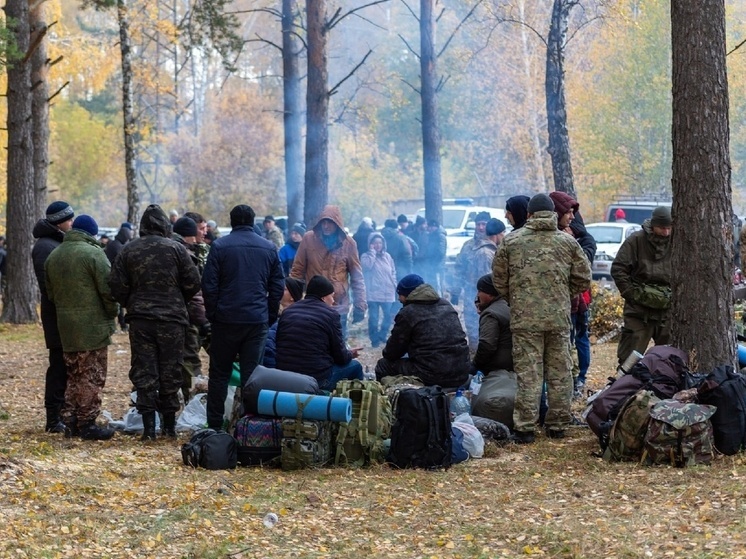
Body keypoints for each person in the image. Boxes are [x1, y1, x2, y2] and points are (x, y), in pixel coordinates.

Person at [492, 194, 591, 443]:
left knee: (529, 373)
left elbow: (499, 280)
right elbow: (583, 277)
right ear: (553, 215)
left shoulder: (511, 242)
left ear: (528, 215)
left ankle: (525, 428)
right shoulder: (567, 242)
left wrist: (517, 298)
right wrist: (562, 295)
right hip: (558, 317)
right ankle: (557, 425)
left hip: (525, 320)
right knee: (560, 373)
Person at [109, 205, 202, 441]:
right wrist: (176, 300)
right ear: (165, 226)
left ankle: (149, 429)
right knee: (171, 370)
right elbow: (193, 282)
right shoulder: (177, 249)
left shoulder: (128, 250)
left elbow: (116, 286)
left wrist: (133, 301)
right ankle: (169, 427)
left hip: (141, 320)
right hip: (172, 321)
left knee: (144, 370)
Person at [202, 205, 284, 430]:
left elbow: (209, 284)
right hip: (256, 320)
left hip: (225, 319)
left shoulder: (219, 246)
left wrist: (214, 314)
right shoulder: (268, 247)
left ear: (232, 220)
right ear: (252, 221)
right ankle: (250, 426)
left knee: (219, 374)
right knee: (252, 376)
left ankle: (215, 425)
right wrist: (268, 313)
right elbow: (277, 284)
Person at [45, 215, 119, 440]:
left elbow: (50, 294)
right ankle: (87, 423)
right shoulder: (94, 254)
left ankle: (69, 420)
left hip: (66, 327)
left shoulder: (54, 256)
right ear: (92, 234)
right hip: (92, 327)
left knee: (73, 374)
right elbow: (109, 291)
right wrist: (112, 313)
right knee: (91, 375)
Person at [375, 274, 470, 389]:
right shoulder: (446, 304)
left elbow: (391, 353)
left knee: (383, 365)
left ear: (407, 294)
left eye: (400, 295)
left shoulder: (408, 313)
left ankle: (389, 403)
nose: (399, 299)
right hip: (461, 371)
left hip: (433, 374)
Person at [290, 205, 367, 339]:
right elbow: (297, 270)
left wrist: (360, 304)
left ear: (337, 224)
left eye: (330, 222)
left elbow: (356, 276)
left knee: (338, 342)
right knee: (314, 341)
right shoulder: (309, 239)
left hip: (338, 304)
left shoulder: (349, 243)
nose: (326, 226)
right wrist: (291, 299)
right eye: (323, 222)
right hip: (313, 303)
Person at [276, 275, 363, 391]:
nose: (333, 301)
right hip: (316, 380)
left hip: (284, 377)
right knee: (356, 366)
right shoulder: (330, 315)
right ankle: (351, 406)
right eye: (332, 296)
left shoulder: (288, 312)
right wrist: (350, 354)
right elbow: (341, 357)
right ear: (323, 297)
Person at [610, 206, 673, 366]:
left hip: (667, 312)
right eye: (662, 228)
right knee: (628, 362)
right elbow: (618, 269)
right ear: (653, 225)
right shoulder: (636, 241)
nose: (666, 232)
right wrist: (631, 294)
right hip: (638, 312)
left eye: (669, 228)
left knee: (669, 360)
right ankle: (623, 389)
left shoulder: (677, 243)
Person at [32, 201, 75, 433]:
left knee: (64, 366)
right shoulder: (45, 247)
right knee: (58, 367)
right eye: (69, 219)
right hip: (56, 316)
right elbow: (50, 288)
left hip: (63, 315)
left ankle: (62, 414)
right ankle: (52, 418)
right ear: (60, 222)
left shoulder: (56, 242)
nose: (72, 223)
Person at [549, 191, 596, 396]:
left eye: (572, 213)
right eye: (568, 212)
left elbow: (582, 269)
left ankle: (580, 378)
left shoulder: (581, 239)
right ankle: (571, 379)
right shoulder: (554, 236)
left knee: (580, 338)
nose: (571, 217)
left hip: (578, 302)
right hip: (560, 303)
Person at [171, 216, 211, 402]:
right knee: (189, 361)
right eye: (201, 228)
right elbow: (194, 292)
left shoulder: (167, 249)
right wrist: (202, 321)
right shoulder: (184, 254)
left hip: (171, 315)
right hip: (187, 316)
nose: (204, 232)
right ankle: (195, 402)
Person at [455, 211, 492, 348]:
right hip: (471, 291)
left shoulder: (494, 244)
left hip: (490, 294)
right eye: (478, 224)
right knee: (471, 324)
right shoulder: (468, 246)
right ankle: (474, 351)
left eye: (484, 224)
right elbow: (459, 268)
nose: (481, 227)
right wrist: (456, 289)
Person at [361, 232, 397, 348]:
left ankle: (382, 335)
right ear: (370, 244)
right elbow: (366, 267)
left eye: (380, 242)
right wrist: (372, 253)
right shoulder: (366, 256)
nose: (378, 245)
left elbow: (393, 271)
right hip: (373, 292)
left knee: (388, 317)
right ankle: (374, 340)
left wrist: (394, 283)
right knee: (374, 318)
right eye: (375, 243)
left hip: (388, 292)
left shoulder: (387, 256)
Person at [473, 274, 513, 374]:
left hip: (498, 368)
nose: (477, 295)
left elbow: (487, 345)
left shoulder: (490, 314)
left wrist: (475, 365)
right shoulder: (508, 305)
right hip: (514, 362)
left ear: (490, 293)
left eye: (480, 291)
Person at [263, 277, 305, 369]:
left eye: (285, 289)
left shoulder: (292, 318)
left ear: (292, 297)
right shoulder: (274, 312)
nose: (280, 290)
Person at [105, 222, 135, 332]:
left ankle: (123, 324)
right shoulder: (116, 245)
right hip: (114, 277)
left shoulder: (115, 244)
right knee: (116, 303)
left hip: (114, 276)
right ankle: (122, 324)